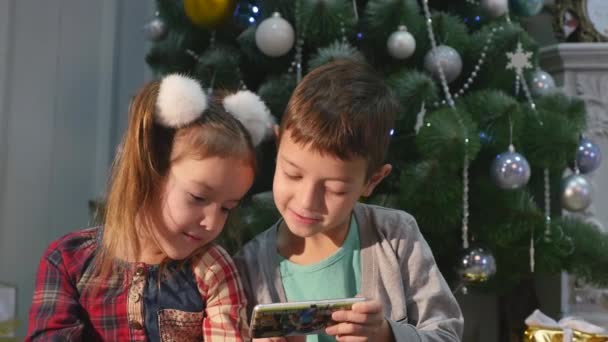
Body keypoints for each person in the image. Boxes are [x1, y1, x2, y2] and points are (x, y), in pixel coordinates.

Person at [26, 74, 275, 341]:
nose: (212, 223)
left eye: (227, 208)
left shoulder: (213, 269)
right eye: (198, 197)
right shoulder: (68, 260)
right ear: (150, 171)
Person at [234, 60, 464, 342]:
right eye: (293, 174)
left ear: (372, 181)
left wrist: (386, 336)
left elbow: (447, 334)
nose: (307, 201)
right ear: (278, 144)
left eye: (335, 189)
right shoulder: (249, 267)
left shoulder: (395, 236)